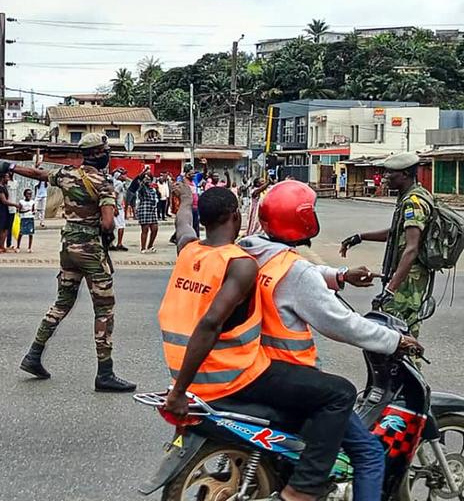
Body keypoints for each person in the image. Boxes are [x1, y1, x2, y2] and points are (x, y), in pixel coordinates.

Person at [165, 182, 421, 501]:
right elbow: (342, 323)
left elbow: (292, 269)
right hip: (272, 374)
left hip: (236, 367)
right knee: (367, 448)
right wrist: (394, 340)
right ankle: (302, 491)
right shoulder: (287, 269)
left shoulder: (245, 250)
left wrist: (339, 276)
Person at [0, 132, 136, 392]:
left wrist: (10, 166)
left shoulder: (67, 175)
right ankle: (105, 373)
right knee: (104, 309)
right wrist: (103, 230)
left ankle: (33, 355)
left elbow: (40, 175)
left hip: (68, 247)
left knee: (62, 302)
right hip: (90, 250)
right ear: (101, 154)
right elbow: (108, 222)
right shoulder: (103, 183)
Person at [340, 152, 433, 337]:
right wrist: (360, 237)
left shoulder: (413, 203)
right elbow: (396, 233)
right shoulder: (408, 197)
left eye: (390, 173)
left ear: (405, 174)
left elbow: (412, 247)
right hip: (404, 278)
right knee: (396, 335)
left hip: (408, 281)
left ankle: (409, 366)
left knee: (399, 336)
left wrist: (391, 288)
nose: (385, 177)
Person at [0, 172, 18, 254]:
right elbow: (4, 201)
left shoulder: (4, 187)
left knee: (5, 229)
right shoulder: (0, 188)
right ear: (2, 178)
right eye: (6, 177)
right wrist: (15, 205)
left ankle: (2, 246)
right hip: (0, 209)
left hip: (5, 210)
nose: (8, 179)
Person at [137, 171, 159, 254]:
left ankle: (150, 245)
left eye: (149, 178)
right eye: (146, 178)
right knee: (145, 229)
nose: (148, 180)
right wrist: (144, 175)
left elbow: (157, 197)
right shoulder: (142, 187)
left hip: (152, 209)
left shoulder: (152, 188)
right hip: (144, 208)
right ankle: (143, 247)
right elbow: (141, 184)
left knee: (155, 228)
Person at [110, 168, 128, 251]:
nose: (125, 176)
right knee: (121, 226)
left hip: (114, 206)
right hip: (118, 207)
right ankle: (119, 243)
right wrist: (116, 208)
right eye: (123, 174)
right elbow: (115, 195)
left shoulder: (114, 182)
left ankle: (111, 243)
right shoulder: (119, 183)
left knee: (113, 226)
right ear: (119, 176)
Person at [17, 188, 36, 253]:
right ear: (24, 194)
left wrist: (34, 212)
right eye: (28, 194)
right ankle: (18, 246)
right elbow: (19, 211)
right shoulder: (21, 202)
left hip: (30, 218)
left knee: (30, 233)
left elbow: (33, 210)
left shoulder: (32, 202)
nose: (29, 195)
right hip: (24, 218)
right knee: (21, 233)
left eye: (30, 194)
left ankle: (29, 247)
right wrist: (26, 211)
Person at [5, 171, 19, 249]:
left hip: (13, 208)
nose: (11, 173)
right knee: (4, 227)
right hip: (6, 207)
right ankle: (1, 243)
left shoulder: (15, 182)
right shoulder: (6, 183)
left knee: (10, 227)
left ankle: (8, 244)